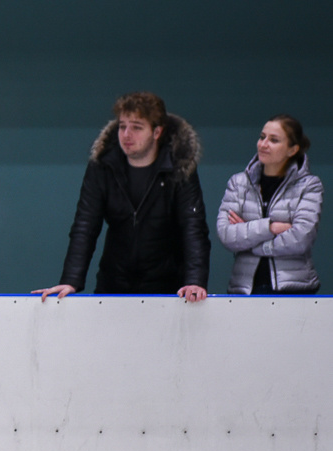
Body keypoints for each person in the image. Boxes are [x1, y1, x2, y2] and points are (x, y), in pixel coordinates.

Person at [34, 92, 211, 302]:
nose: (127, 135)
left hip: (167, 286)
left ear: (157, 132)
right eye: (122, 126)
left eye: (137, 127)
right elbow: (85, 225)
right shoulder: (103, 166)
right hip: (113, 282)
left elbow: (193, 227)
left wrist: (195, 280)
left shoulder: (179, 168)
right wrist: (71, 280)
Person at [216, 115, 322, 294]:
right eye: (262, 137)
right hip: (245, 289)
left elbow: (301, 238)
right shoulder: (238, 182)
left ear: (292, 150)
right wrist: (270, 228)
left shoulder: (309, 185)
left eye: (274, 140)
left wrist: (252, 240)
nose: (263, 144)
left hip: (294, 289)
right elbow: (227, 234)